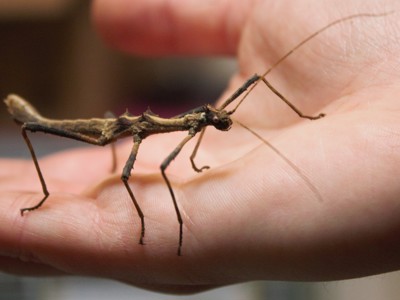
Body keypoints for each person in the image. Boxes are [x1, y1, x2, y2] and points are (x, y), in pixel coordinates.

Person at [2, 0, 400, 294]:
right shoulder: (156, 127)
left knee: (255, 79)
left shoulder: (195, 122)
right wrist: (164, 226)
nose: (216, 122)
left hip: (127, 128)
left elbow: (240, 93)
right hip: (104, 128)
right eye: (211, 120)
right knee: (35, 129)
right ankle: (45, 194)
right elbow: (155, 171)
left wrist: (198, 150)